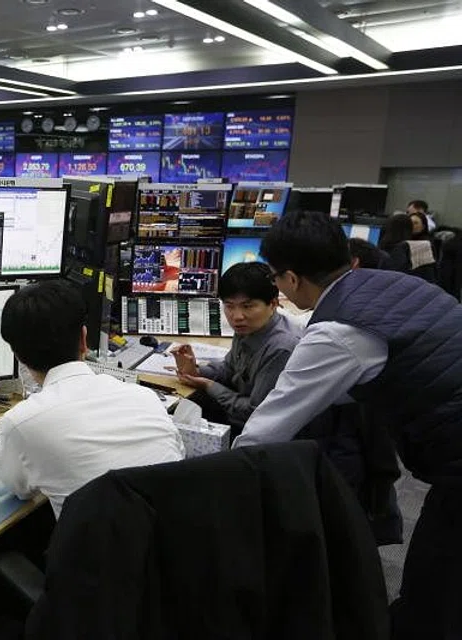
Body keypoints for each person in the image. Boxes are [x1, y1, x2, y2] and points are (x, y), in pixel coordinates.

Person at [232, 210, 462, 640]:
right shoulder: (393, 283)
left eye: (276, 279)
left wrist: (219, 479)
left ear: (291, 279)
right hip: (449, 447)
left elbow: (267, 428)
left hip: (455, 461)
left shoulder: (337, 332)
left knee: (432, 596)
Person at [0, 280, 184, 519]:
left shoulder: (21, 422)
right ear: (84, 340)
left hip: (99, 543)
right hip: (178, 536)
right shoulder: (146, 397)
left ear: (17, 355)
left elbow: (20, 490)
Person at [170, 262, 300, 437]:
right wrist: (196, 370)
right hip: (240, 414)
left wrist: (209, 385)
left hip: (260, 432)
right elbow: (230, 369)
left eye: (248, 306)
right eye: (229, 306)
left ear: (273, 304)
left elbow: (254, 412)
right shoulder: (250, 327)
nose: (237, 317)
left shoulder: (281, 347)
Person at [379, 213, 438, 283]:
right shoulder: (418, 247)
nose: (413, 226)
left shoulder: (383, 249)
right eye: (411, 224)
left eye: (416, 223)